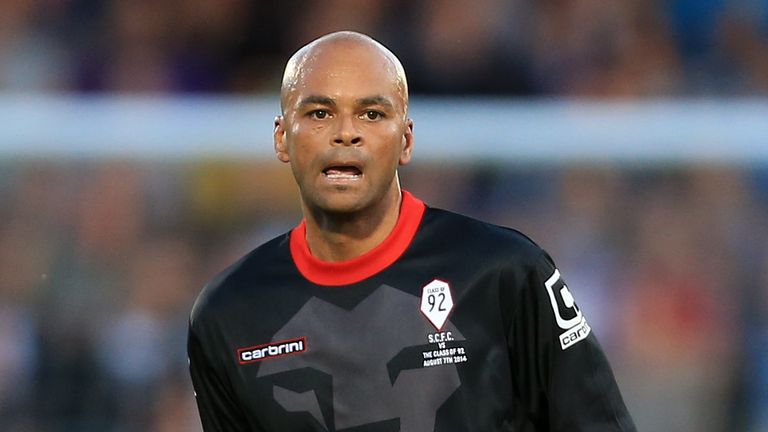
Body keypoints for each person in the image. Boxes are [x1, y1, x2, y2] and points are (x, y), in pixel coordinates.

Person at [187, 30, 636, 431]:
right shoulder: (229, 312)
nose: (346, 133)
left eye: (372, 114)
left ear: (406, 141)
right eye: (321, 113)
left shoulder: (503, 272)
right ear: (282, 138)